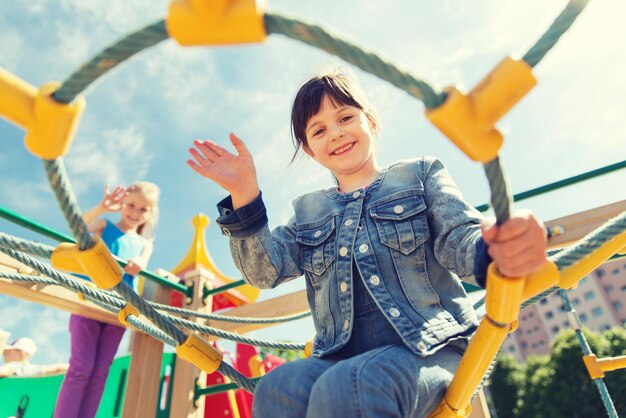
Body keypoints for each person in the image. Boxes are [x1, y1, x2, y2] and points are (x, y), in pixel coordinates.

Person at [187, 72, 547, 418]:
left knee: (353, 384)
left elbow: (458, 238)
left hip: (429, 346)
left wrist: (496, 248)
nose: (336, 133)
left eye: (345, 116)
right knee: (278, 387)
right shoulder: (309, 211)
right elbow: (265, 271)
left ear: (371, 121)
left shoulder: (419, 174)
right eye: (319, 130)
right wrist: (244, 196)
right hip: (339, 356)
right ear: (310, 150)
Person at [53, 181, 160, 418]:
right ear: (121, 204)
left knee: (101, 372)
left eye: (143, 209)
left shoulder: (145, 244)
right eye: (131, 205)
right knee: (81, 368)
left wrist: (140, 264)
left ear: (150, 214)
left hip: (119, 309)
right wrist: (102, 207)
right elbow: (77, 226)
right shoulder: (105, 226)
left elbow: (142, 260)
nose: (135, 212)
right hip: (90, 300)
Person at [0, 336, 69, 377]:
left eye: (7, 352)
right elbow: (58, 368)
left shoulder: (12, 366)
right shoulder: (34, 370)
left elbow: (2, 371)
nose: (4, 355)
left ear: (22, 353)